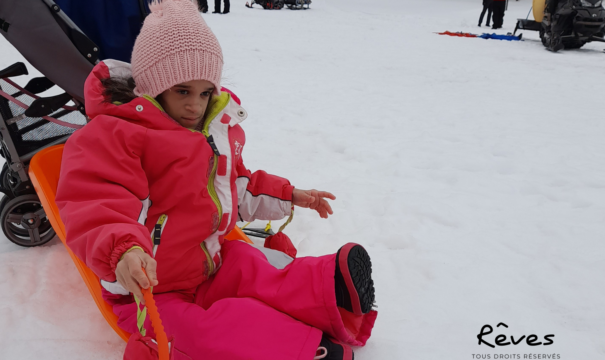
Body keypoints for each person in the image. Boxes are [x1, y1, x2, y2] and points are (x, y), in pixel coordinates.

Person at [55, 0, 377, 359]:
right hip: (149, 286)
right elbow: (97, 202)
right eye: (182, 91)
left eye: (205, 92)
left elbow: (235, 187)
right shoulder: (117, 135)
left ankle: (332, 290)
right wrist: (124, 250)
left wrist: (289, 195)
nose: (195, 105)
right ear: (152, 86)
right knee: (204, 330)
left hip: (212, 260)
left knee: (258, 271)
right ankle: (297, 348)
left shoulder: (210, 131)